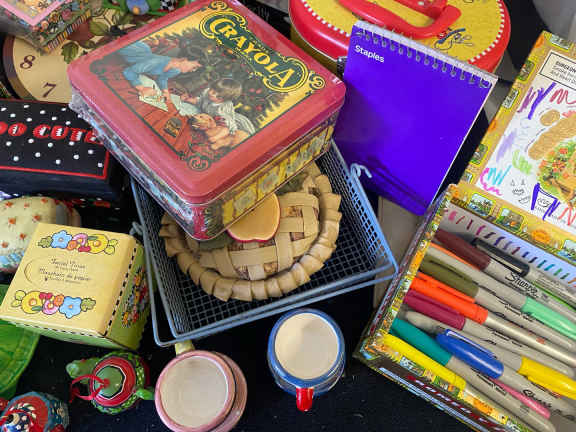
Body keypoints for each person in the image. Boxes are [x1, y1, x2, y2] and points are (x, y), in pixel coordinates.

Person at [117, 40, 202, 101]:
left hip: (134, 65)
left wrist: (165, 91)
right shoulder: (156, 62)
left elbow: (162, 79)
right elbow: (129, 72)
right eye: (194, 67)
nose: (193, 71)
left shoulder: (176, 70)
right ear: (184, 59)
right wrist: (142, 88)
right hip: (124, 54)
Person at [184, 78, 256, 136]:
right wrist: (191, 100)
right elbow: (200, 101)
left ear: (224, 99)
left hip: (231, 122)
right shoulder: (207, 93)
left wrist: (222, 123)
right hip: (208, 118)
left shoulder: (222, 109)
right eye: (212, 90)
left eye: (218, 96)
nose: (212, 94)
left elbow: (230, 125)